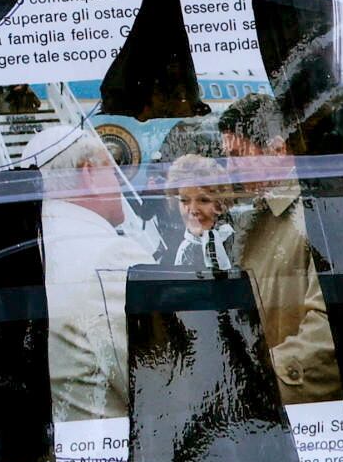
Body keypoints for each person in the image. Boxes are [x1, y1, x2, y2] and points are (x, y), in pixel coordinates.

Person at [215, 93, 342, 408]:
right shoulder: (262, 216)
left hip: (325, 416)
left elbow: (336, 327)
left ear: (277, 148)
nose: (230, 169)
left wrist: (257, 384)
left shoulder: (322, 213)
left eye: (237, 156)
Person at [24, 123, 151, 423]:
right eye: (112, 169)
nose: (119, 182)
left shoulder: (30, 252)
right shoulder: (112, 257)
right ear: (90, 175)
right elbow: (164, 383)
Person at [165, 151, 238, 275]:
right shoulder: (174, 249)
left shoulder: (238, 240)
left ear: (220, 203)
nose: (193, 210)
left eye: (203, 200)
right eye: (184, 200)